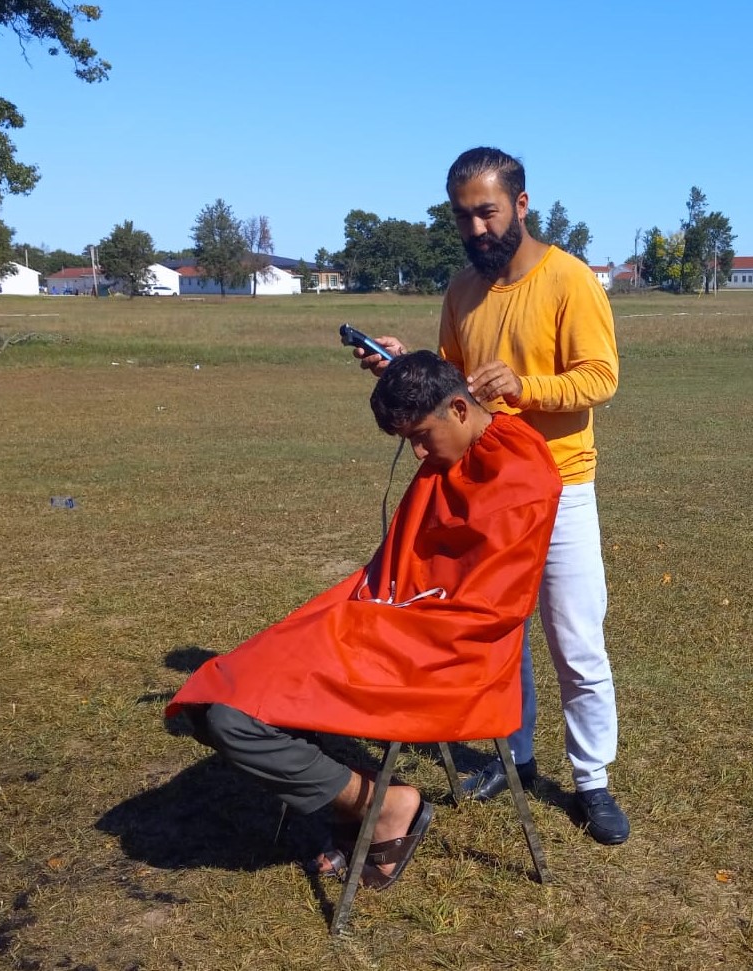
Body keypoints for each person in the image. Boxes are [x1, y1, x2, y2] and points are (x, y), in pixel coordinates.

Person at [167, 350, 562, 887]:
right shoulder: (464, 443)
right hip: (393, 616)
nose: (419, 452)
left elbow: (484, 610)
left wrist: (378, 623)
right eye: (409, 441)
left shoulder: (518, 477)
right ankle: (364, 802)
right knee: (219, 692)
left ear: (461, 410)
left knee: (232, 716)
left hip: (444, 651)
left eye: (423, 434)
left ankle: (383, 806)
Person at [358, 147, 628, 845]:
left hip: (561, 485)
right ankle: (516, 757)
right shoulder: (461, 289)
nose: (477, 228)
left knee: (576, 639)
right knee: (499, 635)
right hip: (486, 490)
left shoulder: (569, 280)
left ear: (522, 204)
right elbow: (452, 382)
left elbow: (600, 378)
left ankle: (593, 781)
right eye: (463, 215)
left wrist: (524, 388)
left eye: (488, 211)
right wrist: (403, 358)